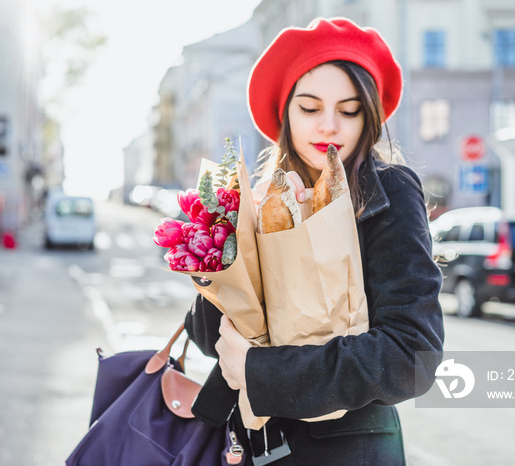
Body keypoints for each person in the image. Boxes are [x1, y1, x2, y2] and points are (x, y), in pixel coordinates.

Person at [185, 17, 444, 465]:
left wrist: (262, 373)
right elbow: (211, 338)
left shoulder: (390, 191)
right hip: (249, 448)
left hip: (347, 451)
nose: (329, 127)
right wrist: (218, 249)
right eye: (309, 108)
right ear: (284, 112)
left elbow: (412, 354)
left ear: (370, 116)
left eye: (348, 110)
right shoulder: (257, 195)